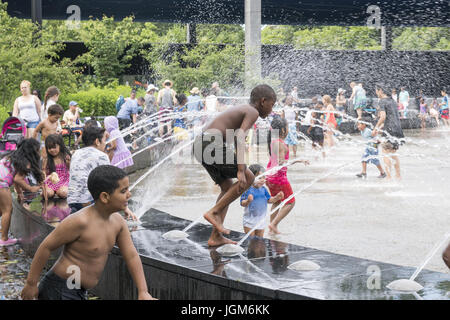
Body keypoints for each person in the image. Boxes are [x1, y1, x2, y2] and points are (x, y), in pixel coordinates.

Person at [21, 165, 156, 300]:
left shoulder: (118, 223)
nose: (129, 194)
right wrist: (31, 283)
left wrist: (143, 291)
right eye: (123, 191)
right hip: (60, 288)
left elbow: (131, 255)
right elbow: (46, 246)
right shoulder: (80, 221)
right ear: (105, 197)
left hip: (77, 290)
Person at [193, 84, 276, 247]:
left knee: (227, 186)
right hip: (210, 143)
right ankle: (213, 212)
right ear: (263, 101)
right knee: (249, 177)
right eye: (272, 105)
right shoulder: (252, 111)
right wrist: (240, 170)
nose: (272, 110)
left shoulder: (245, 109)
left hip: (200, 145)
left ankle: (215, 236)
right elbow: (239, 136)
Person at [67, 125, 136, 221]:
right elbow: (109, 182)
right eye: (104, 140)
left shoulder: (76, 153)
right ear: (97, 141)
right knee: (109, 190)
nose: (105, 144)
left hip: (72, 200)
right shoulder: (101, 156)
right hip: (88, 201)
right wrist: (124, 207)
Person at [266, 117, 309, 234]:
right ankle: (274, 224)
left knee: (277, 200)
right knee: (291, 202)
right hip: (279, 178)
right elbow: (280, 162)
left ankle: (272, 226)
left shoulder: (274, 141)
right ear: (283, 130)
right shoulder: (280, 144)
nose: (289, 129)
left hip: (270, 176)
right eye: (288, 127)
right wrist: (298, 160)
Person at [0, 139, 43, 246]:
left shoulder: (13, 157)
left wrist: (19, 193)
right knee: (7, 210)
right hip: (1, 183)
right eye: (38, 150)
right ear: (32, 151)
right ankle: (4, 239)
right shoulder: (26, 163)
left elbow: (14, 177)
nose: (39, 152)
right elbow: (18, 179)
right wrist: (31, 188)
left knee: (1, 211)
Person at [240, 164, 283, 237]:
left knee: (259, 242)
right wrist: (248, 201)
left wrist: (276, 198)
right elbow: (242, 203)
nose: (263, 180)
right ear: (250, 178)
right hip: (249, 222)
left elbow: (269, 200)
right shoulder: (247, 189)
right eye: (260, 178)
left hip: (261, 222)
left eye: (264, 177)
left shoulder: (263, 189)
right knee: (251, 241)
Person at [373, 83, 404, 180]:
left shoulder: (382, 101)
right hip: (398, 129)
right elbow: (392, 118)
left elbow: (383, 117)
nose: (376, 92)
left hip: (389, 130)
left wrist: (375, 128)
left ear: (381, 90)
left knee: (385, 152)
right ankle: (398, 176)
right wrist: (381, 127)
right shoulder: (392, 101)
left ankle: (389, 177)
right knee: (393, 153)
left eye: (376, 90)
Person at [42, 134, 71, 199]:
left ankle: (58, 192)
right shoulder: (47, 159)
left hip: (63, 181)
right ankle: (52, 192)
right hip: (51, 181)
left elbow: (69, 169)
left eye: (54, 147)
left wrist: (68, 162)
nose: (52, 150)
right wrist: (44, 183)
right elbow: (43, 171)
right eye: (49, 148)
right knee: (48, 193)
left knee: (63, 193)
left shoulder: (64, 157)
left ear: (60, 146)